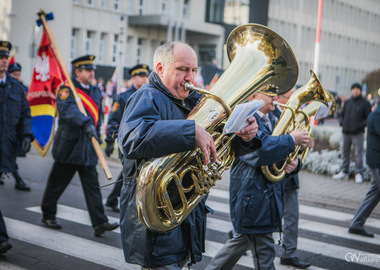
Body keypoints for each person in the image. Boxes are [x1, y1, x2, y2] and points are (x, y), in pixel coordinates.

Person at [117, 41, 260, 269]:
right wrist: (188, 131)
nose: (190, 77)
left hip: (184, 214)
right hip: (156, 213)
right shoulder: (147, 96)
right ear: (160, 68)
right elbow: (132, 139)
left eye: (193, 70)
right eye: (182, 69)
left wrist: (246, 136)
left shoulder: (192, 100)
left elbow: (222, 144)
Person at [206, 91, 310, 270]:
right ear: (253, 96)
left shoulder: (278, 116)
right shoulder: (246, 119)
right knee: (263, 253)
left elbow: (281, 152)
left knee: (243, 244)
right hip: (253, 195)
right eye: (269, 93)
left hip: (265, 195)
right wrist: (292, 139)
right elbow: (261, 152)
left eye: (276, 93)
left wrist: (296, 163)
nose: (275, 97)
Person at [40, 55, 118, 236]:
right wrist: (86, 123)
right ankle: (48, 214)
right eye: (88, 70)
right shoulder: (67, 90)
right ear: (77, 72)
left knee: (93, 188)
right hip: (70, 146)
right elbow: (68, 112)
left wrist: (97, 135)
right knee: (56, 184)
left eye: (92, 70)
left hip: (88, 147)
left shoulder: (96, 91)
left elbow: (97, 118)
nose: (92, 73)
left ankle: (100, 222)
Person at [104, 64, 150, 213]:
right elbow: (113, 120)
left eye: (145, 76)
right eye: (141, 76)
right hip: (127, 141)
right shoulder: (123, 97)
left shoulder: (148, 95)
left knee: (130, 172)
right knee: (129, 172)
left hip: (142, 141)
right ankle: (121, 201)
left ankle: (113, 198)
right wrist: (110, 141)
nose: (144, 79)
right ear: (133, 78)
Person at [277, 89, 311, 268]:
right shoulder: (273, 114)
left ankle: (289, 252)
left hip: (290, 177)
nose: (293, 101)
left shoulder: (296, 117)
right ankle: (237, 234)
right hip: (273, 177)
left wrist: (297, 162)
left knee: (292, 216)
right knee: (263, 218)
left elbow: (299, 149)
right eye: (290, 97)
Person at [0, 41, 33, 190]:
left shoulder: (16, 87)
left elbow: (25, 114)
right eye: (1, 57)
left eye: (6, 57)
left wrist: (26, 135)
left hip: (7, 144)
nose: (5, 60)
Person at [348, 103, 380, 237]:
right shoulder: (377, 115)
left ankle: (356, 223)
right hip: (378, 162)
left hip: (376, 160)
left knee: (375, 192)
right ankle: (356, 223)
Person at [333, 83, 372, 183]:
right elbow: (341, 114)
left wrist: (360, 125)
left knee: (358, 154)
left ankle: (358, 173)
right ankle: (344, 172)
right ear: (351, 90)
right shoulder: (347, 102)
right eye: (353, 89)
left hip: (358, 133)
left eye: (357, 89)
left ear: (360, 90)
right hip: (346, 132)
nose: (355, 90)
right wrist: (341, 122)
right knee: (345, 153)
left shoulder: (365, 103)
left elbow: (369, 118)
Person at [6, 61, 31, 191]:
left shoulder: (21, 89)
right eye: (14, 74)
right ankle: (19, 180)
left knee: (9, 156)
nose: (17, 77)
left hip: (15, 131)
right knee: (8, 156)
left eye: (19, 74)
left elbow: (25, 112)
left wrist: (27, 135)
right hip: (5, 130)